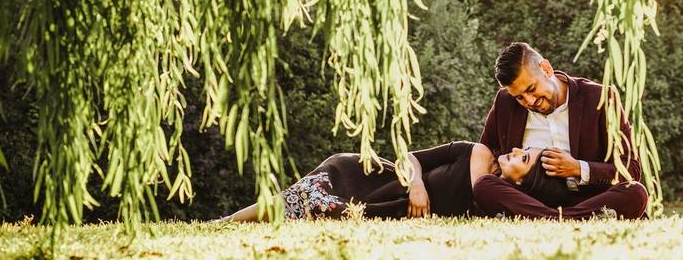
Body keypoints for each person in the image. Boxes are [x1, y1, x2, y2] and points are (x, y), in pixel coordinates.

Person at [473, 41, 650, 220]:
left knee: (635, 192)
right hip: (527, 200)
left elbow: (630, 168)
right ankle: (565, 219)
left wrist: (578, 168)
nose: (530, 101)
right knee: (484, 185)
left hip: (589, 199)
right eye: (519, 97)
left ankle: (551, 219)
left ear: (546, 69)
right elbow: (486, 152)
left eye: (532, 89)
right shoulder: (505, 102)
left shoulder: (601, 98)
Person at [221, 140, 565, 221]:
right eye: (524, 149)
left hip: (384, 208)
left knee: (312, 207)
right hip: (378, 179)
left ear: (523, 182)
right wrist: (417, 184)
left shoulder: (498, 201)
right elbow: (410, 156)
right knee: (302, 196)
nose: (516, 149)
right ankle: (222, 223)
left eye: (524, 158)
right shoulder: (474, 152)